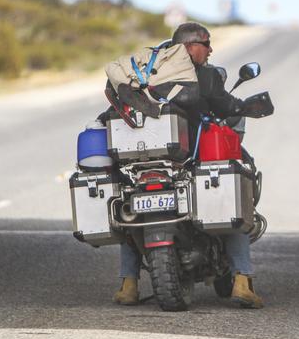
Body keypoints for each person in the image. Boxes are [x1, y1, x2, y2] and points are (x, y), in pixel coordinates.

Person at [110, 22, 263, 309]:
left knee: (130, 209)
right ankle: (243, 280)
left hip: (142, 161)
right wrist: (245, 108)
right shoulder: (204, 76)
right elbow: (225, 105)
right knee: (232, 194)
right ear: (190, 46)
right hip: (191, 158)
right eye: (206, 44)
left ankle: (128, 283)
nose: (210, 50)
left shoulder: (145, 75)